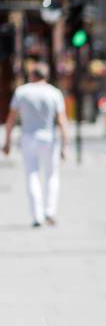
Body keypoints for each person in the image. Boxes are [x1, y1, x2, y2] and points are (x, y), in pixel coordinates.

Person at [2, 62, 69, 227]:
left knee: (32, 175)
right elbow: (62, 121)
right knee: (52, 175)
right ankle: (50, 211)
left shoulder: (21, 91)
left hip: (28, 138)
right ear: (46, 76)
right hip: (49, 138)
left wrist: (7, 142)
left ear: (32, 76)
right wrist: (64, 146)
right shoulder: (54, 93)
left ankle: (36, 216)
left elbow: (10, 119)